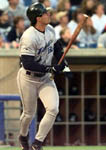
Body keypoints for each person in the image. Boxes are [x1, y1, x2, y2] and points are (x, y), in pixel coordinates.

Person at [17, 2, 68, 150]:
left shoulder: (50, 29)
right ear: (38, 18)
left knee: (53, 109)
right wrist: (50, 67)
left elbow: (57, 49)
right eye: (45, 13)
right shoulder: (28, 36)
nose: (49, 14)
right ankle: (23, 136)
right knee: (28, 113)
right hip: (28, 78)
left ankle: (37, 143)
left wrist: (62, 63)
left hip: (45, 78)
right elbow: (27, 63)